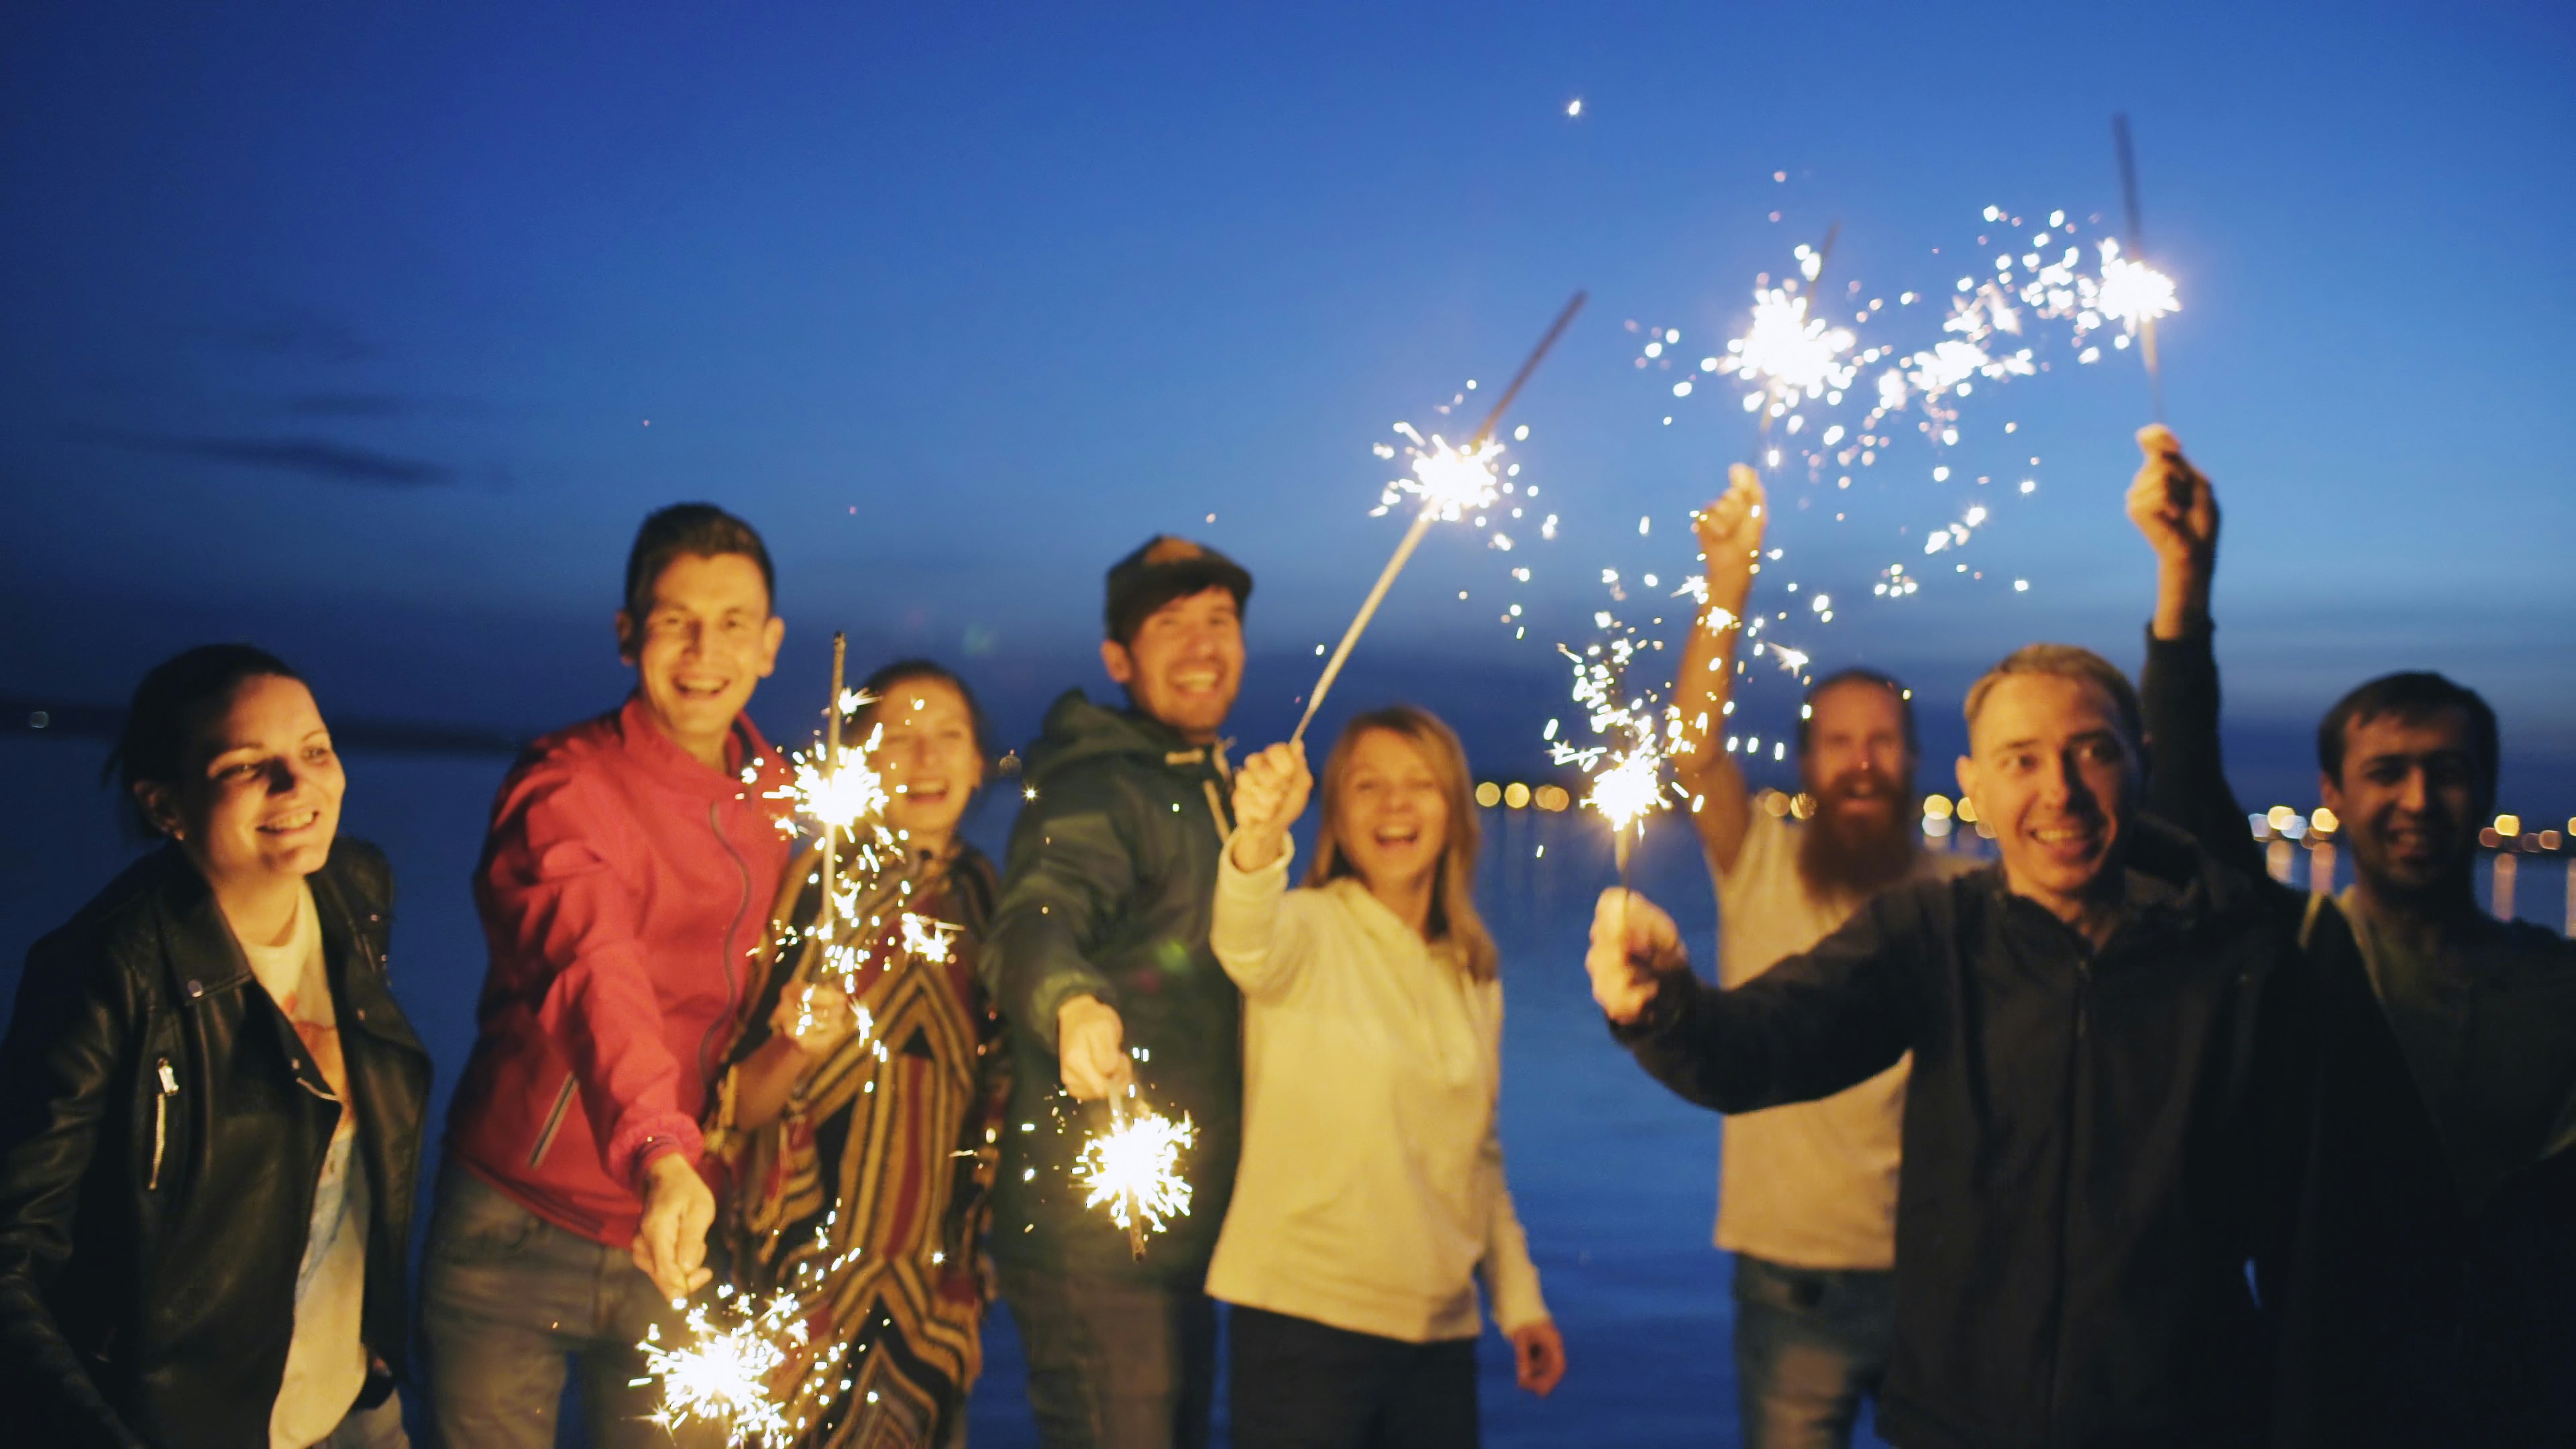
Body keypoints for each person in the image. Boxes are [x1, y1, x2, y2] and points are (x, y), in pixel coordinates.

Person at [1587, 638, 2310, 1448]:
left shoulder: (2237, 956)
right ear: (1975, 786)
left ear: (2142, 764)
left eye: (2092, 753)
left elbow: (2303, 1219)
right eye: (2021, 760)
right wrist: (1664, 1007)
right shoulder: (1934, 933)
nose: (2059, 792)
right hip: (1955, 1420)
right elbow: (1763, 1044)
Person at [2125, 425, 2576, 1446]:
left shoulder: (2559, 983)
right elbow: (2189, 795)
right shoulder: (2297, 954)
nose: (2420, 799)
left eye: (2449, 771)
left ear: (2488, 789)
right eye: (2387, 772)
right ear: (2333, 794)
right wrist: (2185, 582)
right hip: (2335, 1400)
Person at [422, 503, 792, 1448]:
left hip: (684, 1243)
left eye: (733, 623)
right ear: (629, 635)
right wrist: (663, 1152)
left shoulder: (785, 805)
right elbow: (594, 968)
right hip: (517, 1226)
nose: (704, 649)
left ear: (771, 646)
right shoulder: (565, 787)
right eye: (675, 620)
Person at [0, 645, 431, 1448]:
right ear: (166, 805)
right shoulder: (105, 972)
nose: (296, 786)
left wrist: (380, 1341)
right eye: (246, 765)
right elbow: (14, 1254)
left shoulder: (354, 893)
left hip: (353, 1407)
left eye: (314, 751)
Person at [1668, 465, 1976, 1449]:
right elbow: (1691, 748)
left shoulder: (1963, 892)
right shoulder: (1758, 860)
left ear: (1915, 759)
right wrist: (1727, 590)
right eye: (1839, 742)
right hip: (1791, 1276)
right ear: (1804, 762)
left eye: (1882, 741)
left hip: (1942, 1269)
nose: (1861, 761)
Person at [1212, 708, 1565, 1449]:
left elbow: (1479, 1153)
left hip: (1438, 1339)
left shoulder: (1472, 972)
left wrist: (1520, 1301)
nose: (1396, 805)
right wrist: (1257, 839)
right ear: (1336, 812)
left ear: (1453, 812)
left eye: (1420, 784)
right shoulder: (1306, 930)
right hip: (1304, 1333)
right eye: (1369, 785)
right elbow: (1244, 943)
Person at [981, 535, 1253, 1449]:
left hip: (1186, 1229)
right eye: (1171, 624)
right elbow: (1034, 917)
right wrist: (1070, 1001)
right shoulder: (1098, 786)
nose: (1203, 644)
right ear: (1119, 659)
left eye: (1219, 621)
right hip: (1095, 1244)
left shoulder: (1203, 786)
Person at [708, 659, 1010, 1448]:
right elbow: (739, 1106)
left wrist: (969, 1286)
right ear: (857, 762)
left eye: (949, 737)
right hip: (802, 1282)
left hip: (932, 1296)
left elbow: (994, 1108)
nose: (925, 759)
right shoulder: (816, 886)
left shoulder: (987, 900)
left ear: (980, 763)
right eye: (898, 738)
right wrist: (794, 1047)